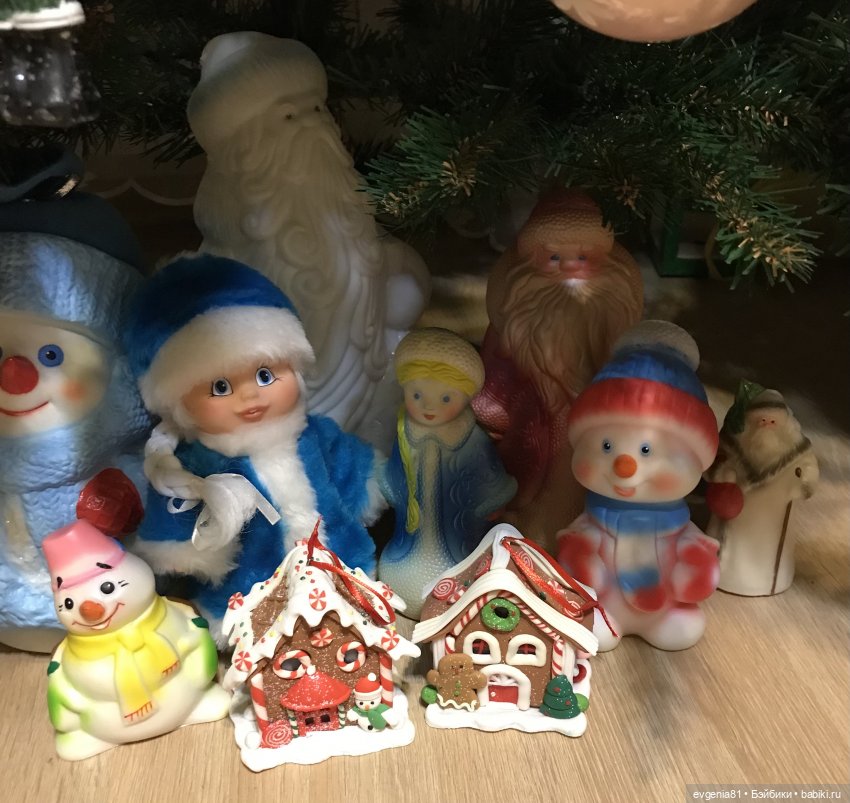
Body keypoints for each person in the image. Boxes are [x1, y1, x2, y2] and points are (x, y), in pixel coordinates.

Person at [124, 254, 385, 642]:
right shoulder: (196, 464)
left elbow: (350, 467)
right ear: (179, 403)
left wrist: (377, 481)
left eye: (265, 375)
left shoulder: (312, 434)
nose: (249, 396)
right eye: (220, 387)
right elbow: (175, 509)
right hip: (253, 583)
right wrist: (178, 552)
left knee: (351, 604)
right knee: (256, 623)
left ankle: (340, 613)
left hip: (341, 561)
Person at [379, 328, 516, 618]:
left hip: (459, 540)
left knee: (464, 556)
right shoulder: (405, 433)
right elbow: (395, 476)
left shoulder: (472, 440)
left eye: (445, 399)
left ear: (466, 398)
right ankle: (409, 569)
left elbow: (490, 479)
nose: (428, 407)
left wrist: (491, 501)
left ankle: (456, 578)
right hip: (409, 540)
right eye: (417, 395)